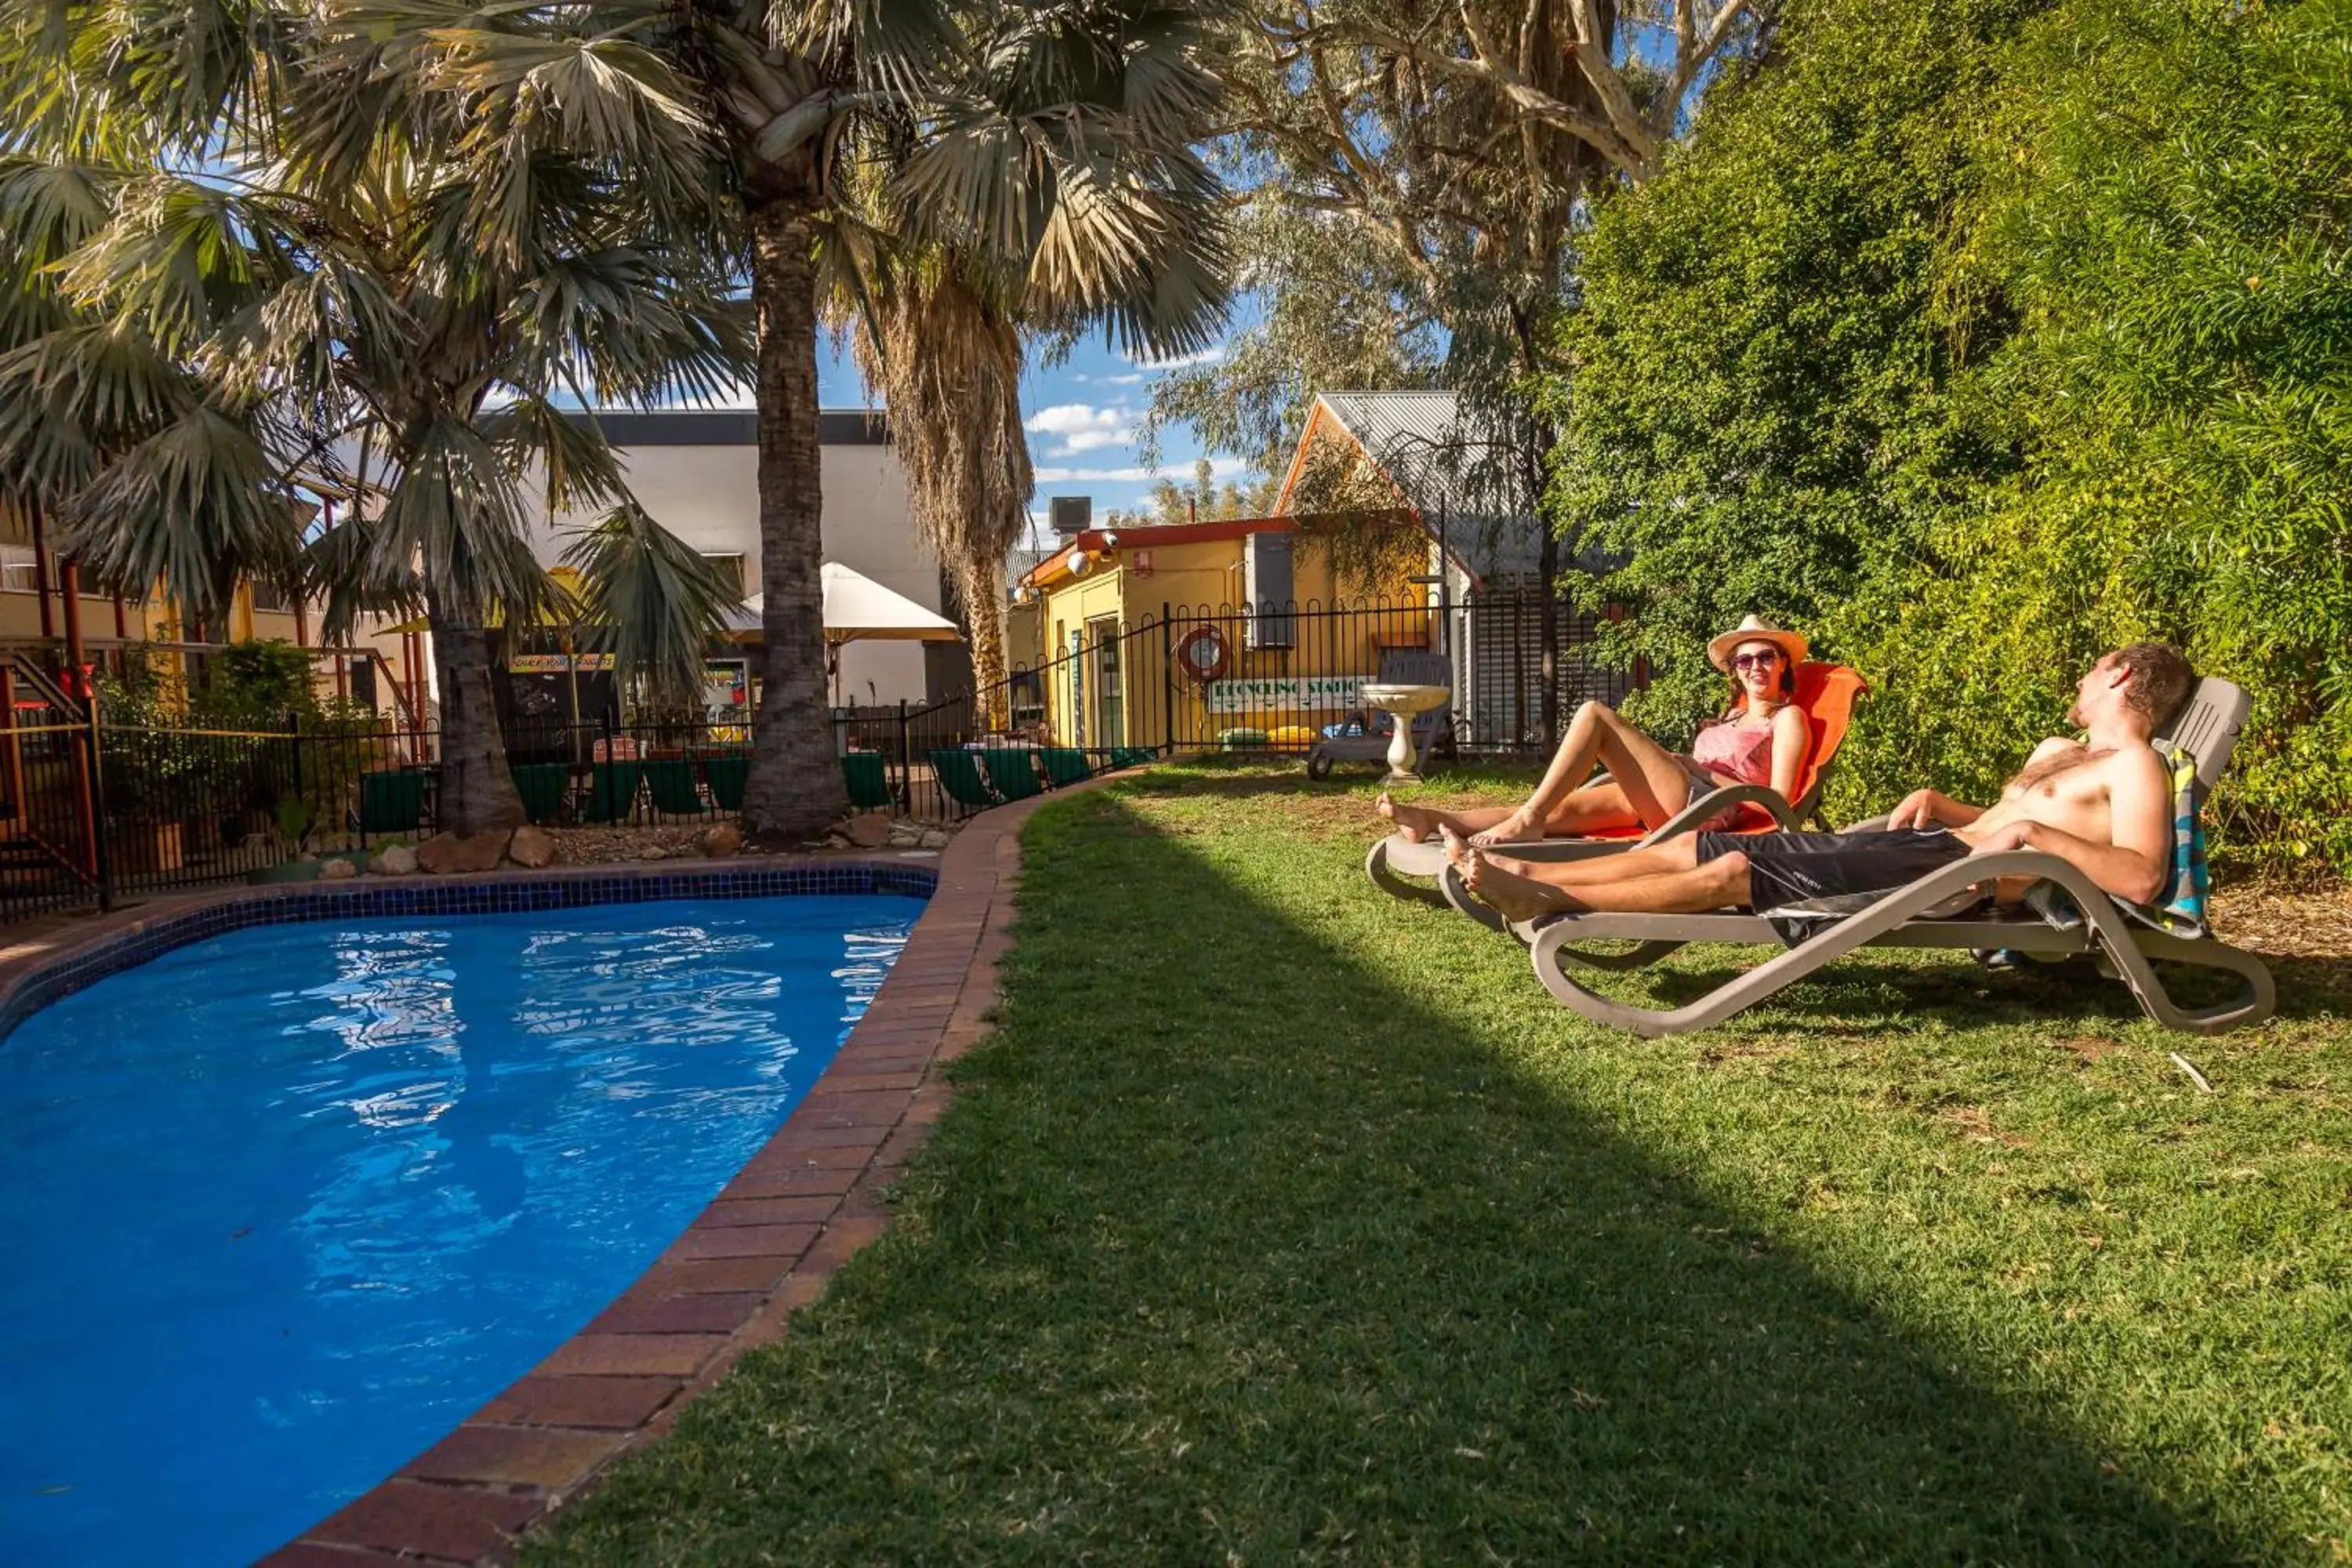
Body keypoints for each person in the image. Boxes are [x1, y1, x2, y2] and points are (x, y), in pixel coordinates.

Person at [1444, 642, 2196, 938]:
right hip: (1931, 845)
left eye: (2094, 668)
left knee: (1737, 874)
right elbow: (2008, 818)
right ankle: (1536, 875)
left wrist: (2035, 839)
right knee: (1708, 844)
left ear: (2123, 677)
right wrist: (1947, 805)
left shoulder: (2134, 766)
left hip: (1950, 877)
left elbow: (2140, 874)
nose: (2081, 677)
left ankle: (1555, 897)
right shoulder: (2061, 751)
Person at [1380, 615, 1815, 846]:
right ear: (1734, 671)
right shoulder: (1732, 716)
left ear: (1783, 665)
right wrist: (1684, 767)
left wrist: (1699, 773)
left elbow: (1778, 803)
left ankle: (1526, 820)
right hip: (1681, 793)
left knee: (1594, 714)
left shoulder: (1787, 718)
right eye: (1744, 660)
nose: (1755, 667)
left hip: (1713, 808)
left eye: (1765, 657)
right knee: (1559, 813)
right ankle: (1433, 819)